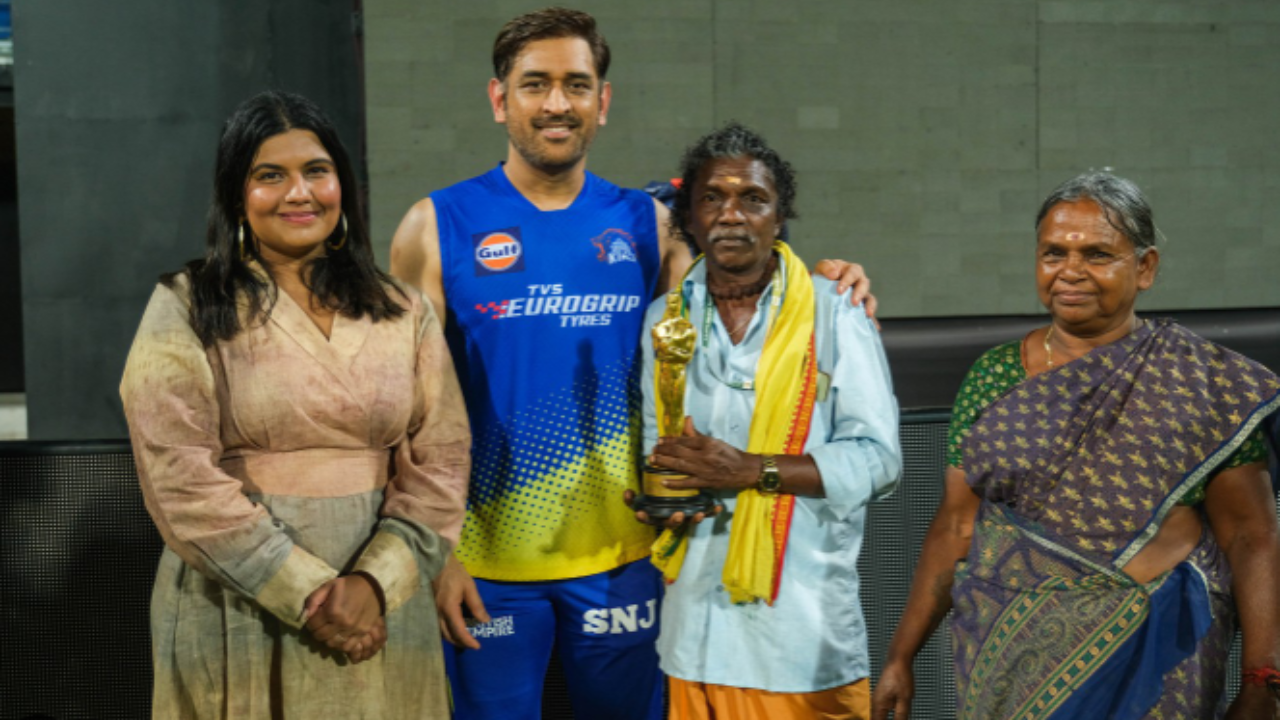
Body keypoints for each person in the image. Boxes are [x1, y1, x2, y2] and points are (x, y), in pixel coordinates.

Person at [388, 8, 878, 719]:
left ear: (602, 101)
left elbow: (743, 296)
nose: (557, 103)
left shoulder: (649, 227)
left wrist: (831, 278)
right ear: (500, 99)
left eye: (576, 84)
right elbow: (404, 410)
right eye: (535, 85)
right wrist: (436, 553)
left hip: (626, 561)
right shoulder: (433, 226)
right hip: (483, 568)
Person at [872, 172, 1280, 719]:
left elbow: (1251, 534)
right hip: (1009, 659)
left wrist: (1263, 680)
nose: (1070, 271)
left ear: (1146, 267)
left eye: (1097, 254)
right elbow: (956, 526)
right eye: (1053, 252)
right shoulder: (995, 377)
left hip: (1150, 661)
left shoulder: (1200, 382)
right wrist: (901, 655)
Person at [120, 91, 469, 719]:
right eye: (269, 176)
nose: (299, 193)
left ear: (343, 185)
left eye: (316, 171)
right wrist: (309, 592)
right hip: (236, 598)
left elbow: (441, 462)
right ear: (236, 197)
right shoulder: (186, 303)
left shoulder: (403, 311)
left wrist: (374, 583)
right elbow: (178, 475)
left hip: (383, 602)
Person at [625, 123, 901, 719]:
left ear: (780, 217)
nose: (732, 214)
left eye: (752, 199)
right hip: (692, 637)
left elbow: (879, 460)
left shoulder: (835, 312)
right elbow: (660, 454)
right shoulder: (661, 323)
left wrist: (754, 470)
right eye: (712, 198)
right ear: (690, 221)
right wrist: (662, 498)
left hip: (799, 642)